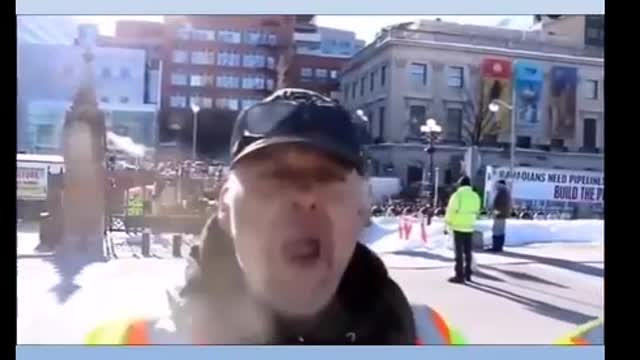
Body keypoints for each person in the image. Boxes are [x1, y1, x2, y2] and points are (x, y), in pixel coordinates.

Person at [85, 89, 465, 345]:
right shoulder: (129, 342)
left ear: (363, 207)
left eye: (328, 176)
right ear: (223, 206)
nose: (303, 196)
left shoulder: (432, 338)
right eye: (272, 177)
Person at [444, 176, 481, 284]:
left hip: (457, 226)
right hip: (469, 227)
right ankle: (468, 274)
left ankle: (459, 275)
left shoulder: (457, 196)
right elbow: (477, 211)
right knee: (468, 252)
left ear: (460, 184)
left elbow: (450, 211)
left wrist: (446, 225)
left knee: (458, 253)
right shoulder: (475, 196)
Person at [489, 180, 511, 253]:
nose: (496, 186)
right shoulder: (506, 192)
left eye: (497, 184)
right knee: (501, 231)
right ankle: (499, 247)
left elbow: (499, 205)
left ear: (500, 185)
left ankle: (496, 247)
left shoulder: (501, 192)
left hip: (499, 215)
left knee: (496, 231)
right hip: (503, 215)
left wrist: (494, 213)